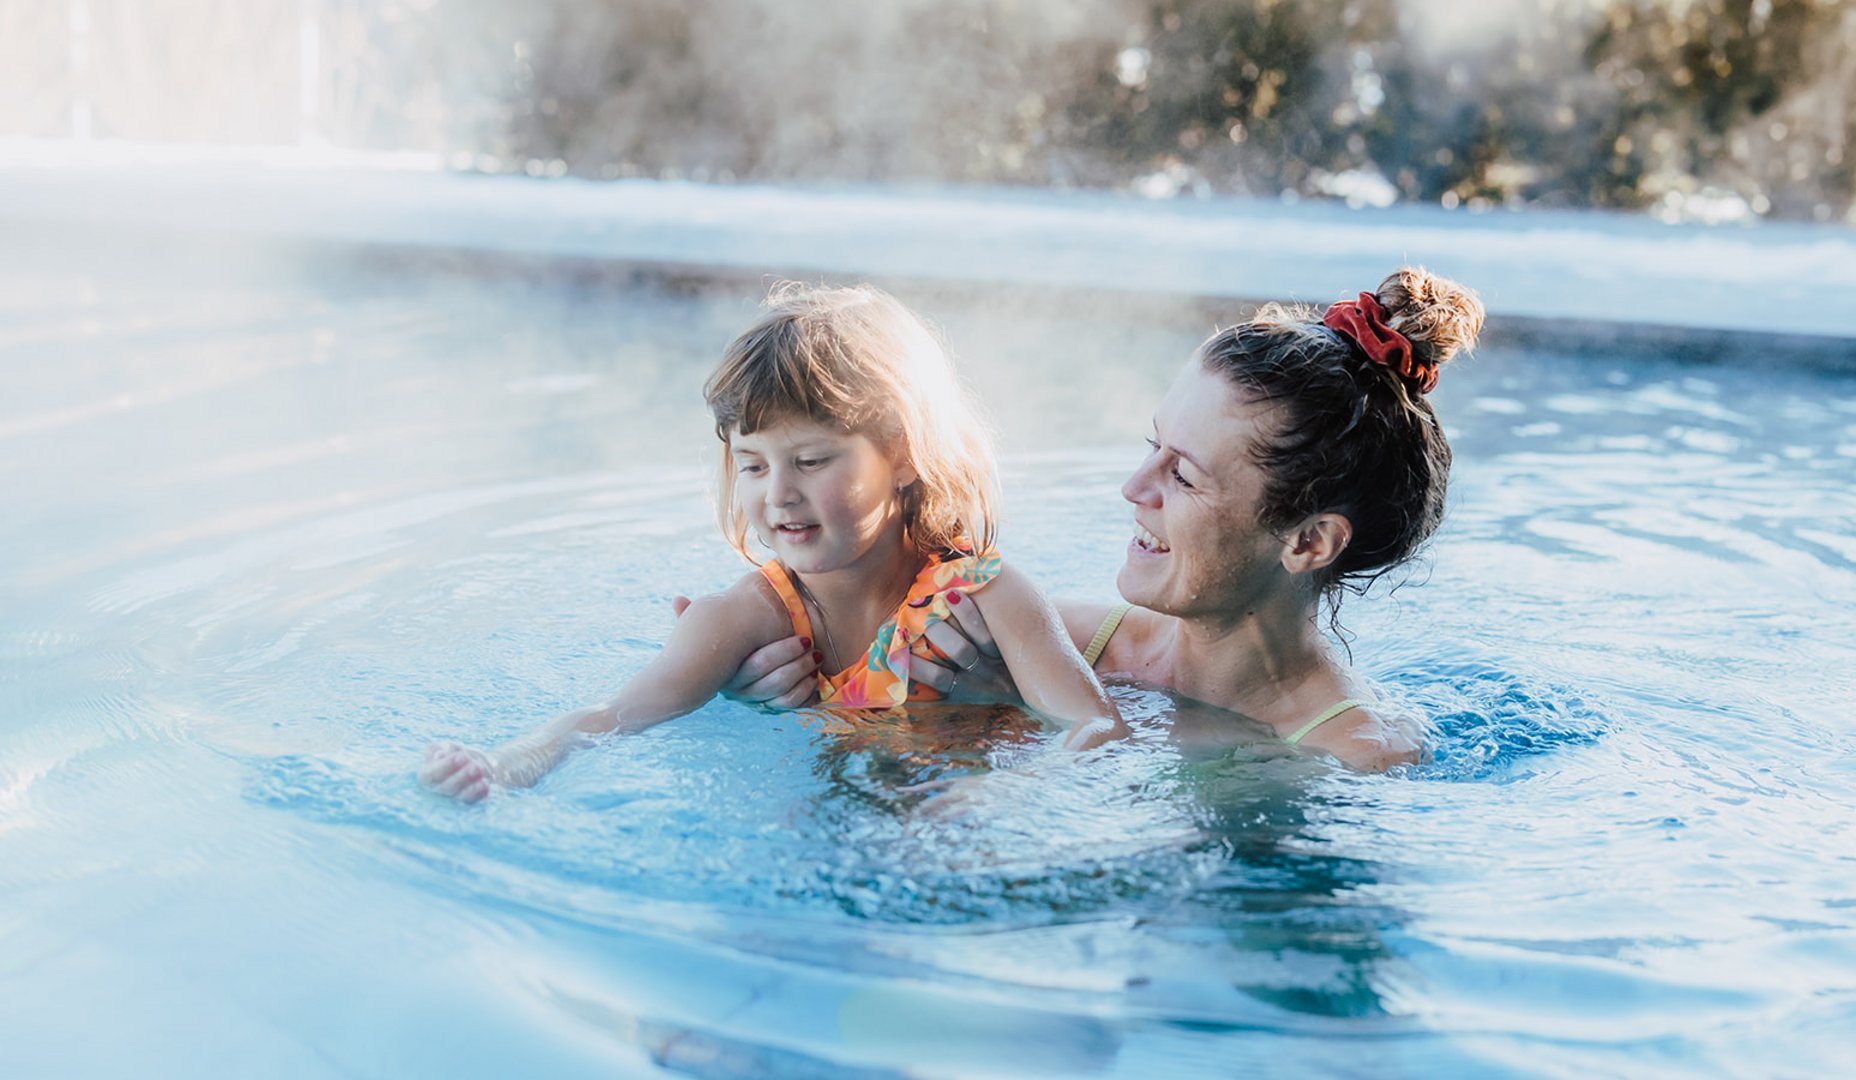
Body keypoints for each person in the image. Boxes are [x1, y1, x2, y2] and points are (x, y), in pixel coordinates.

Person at [713, 267, 1483, 773]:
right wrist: (788, 688)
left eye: (1181, 474)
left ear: (1308, 541)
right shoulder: (1061, 637)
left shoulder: (1354, 755)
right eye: (1153, 447)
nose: (1132, 488)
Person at [419, 283, 1127, 803]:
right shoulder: (750, 616)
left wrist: (1006, 794)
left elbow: (1094, 727)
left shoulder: (987, 595)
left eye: (812, 461)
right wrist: (505, 764)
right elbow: (615, 716)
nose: (778, 493)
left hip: (959, 809)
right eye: (754, 465)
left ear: (903, 455)